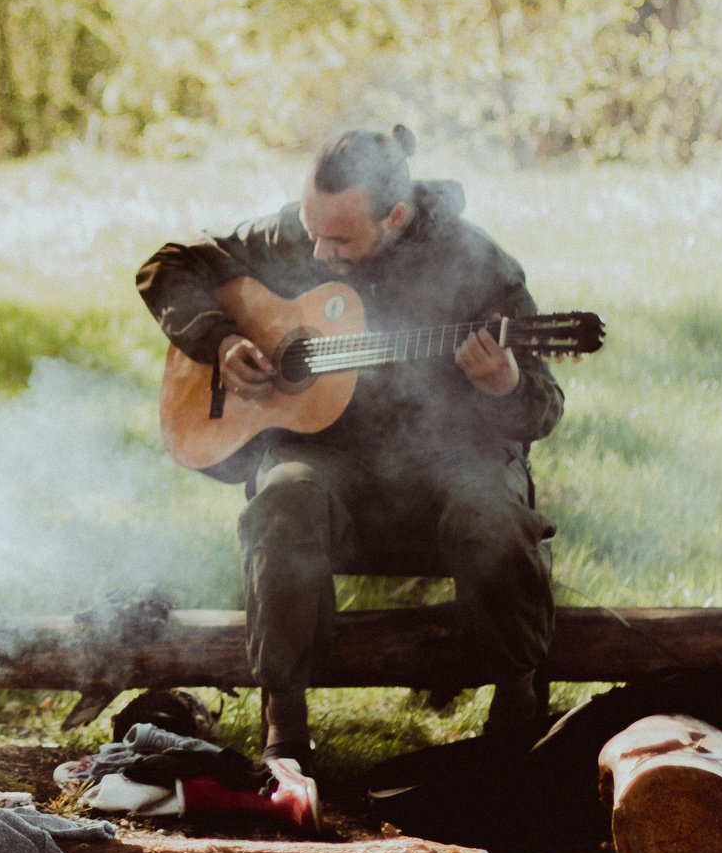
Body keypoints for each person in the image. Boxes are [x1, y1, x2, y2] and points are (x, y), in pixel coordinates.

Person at [133, 127, 564, 777]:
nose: (318, 250)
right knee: (282, 501)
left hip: (450, 451)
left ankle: (518, 699)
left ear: (395, 217)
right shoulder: (294, 237)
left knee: (493, 512)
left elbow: (542, 407)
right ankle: (285, 723)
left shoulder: (477, 267)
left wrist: (503, 384)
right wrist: (221, 341)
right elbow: (167, 269)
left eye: (339, 239)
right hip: (325, 452)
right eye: (312, 229)